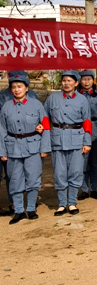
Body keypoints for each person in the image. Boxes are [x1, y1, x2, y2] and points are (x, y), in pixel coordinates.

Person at [0, 74, 50, 224]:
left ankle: (31, 209)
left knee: (33, 178)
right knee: (14, 179)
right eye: (14, 87)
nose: (17, 89)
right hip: (12, 146)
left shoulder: (36, 104)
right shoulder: (6, 106)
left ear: (26, 88)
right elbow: (2, 129)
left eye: (20, 86)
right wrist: (2, 151)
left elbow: (46, 126)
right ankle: (19, 210)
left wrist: (45, 147)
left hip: (33, 146)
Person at [44, 70, 92, 216]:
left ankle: (71, 203)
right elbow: (45, 118)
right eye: (64, 80)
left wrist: (87, 142)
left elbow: (87, 121)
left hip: (77, 139)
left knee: (76, 172)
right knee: (59, 173)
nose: (66, 83)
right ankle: (61, 204)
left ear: (76, 83)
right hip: (57, 139)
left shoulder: (82, 99)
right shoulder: (53, 98)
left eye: (69, 81)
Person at [77, 70, 97, 201]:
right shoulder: (76, 96)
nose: (86, 82)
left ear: (93, 81)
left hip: (96, 129)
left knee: (95, 163)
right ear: (79, 81)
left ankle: (93, 188)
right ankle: (84, 189)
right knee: (83, 163)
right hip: (80, 131)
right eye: (84, 79)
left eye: (89, 79)